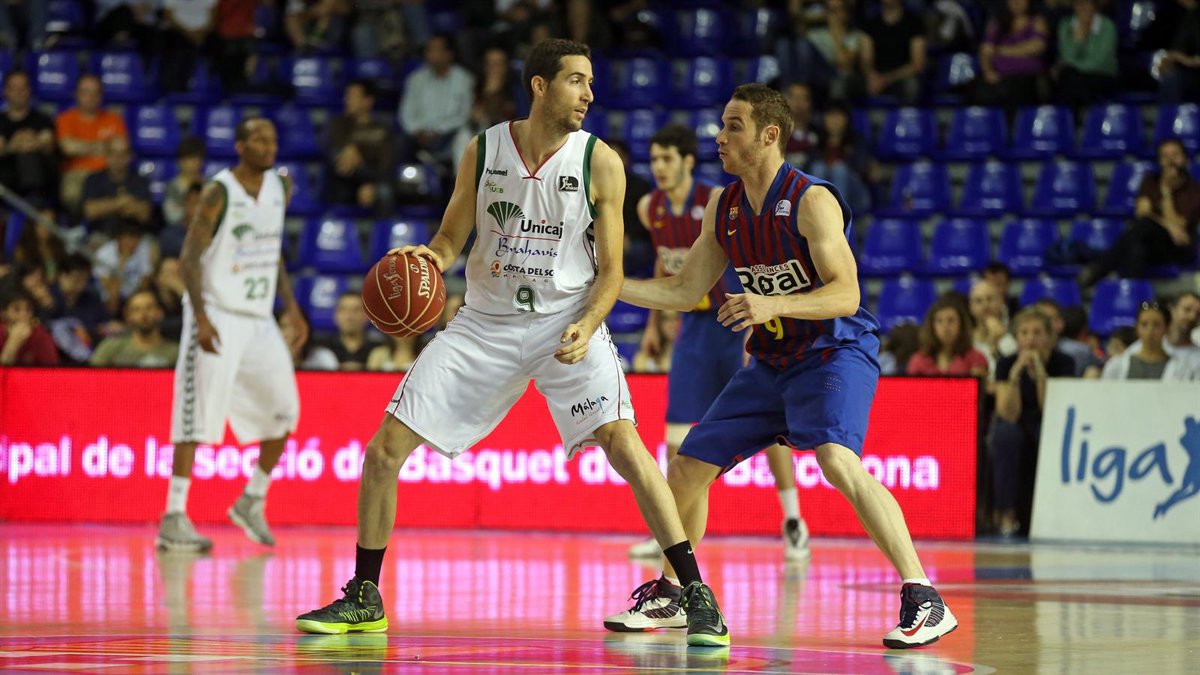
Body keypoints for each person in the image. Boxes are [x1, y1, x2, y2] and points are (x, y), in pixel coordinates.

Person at [296, 39, 729, 646]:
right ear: (539, 85)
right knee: (383, 450)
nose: (589, 93)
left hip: (565, 320)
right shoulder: (483, 150)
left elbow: (610, 271)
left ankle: (693, 592)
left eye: (591, 81)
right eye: (576, 80)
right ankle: (365, 595)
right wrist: (430, 258)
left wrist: (588, 323)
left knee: (625, 446)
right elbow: (451, 237)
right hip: (484, 324)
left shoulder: (600, 161)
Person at [614, 84, 955, 649]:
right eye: (721, 125)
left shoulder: (811, 200)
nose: (720, 137)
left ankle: (925, 595)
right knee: (686, 468)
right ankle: (675, 592)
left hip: (833, 352)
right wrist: (609, 286)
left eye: (734, 126)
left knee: (837, 461)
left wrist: (772, 303)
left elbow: (847, 294)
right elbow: (684, 290)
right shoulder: (724, 207)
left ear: (769, 135)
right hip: (773, 362)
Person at [623, 122, 811, 565]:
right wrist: (654, 323)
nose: (658, 167)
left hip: (734, 323)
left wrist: (753, 329)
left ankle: (793, 520)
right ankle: (669, 533)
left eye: (667, 158)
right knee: (675, 435)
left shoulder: (717, 202)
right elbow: (666, 264)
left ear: (688, 162)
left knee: (765, 429)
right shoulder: (651, 208)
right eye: (654, 159)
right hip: (692, 327)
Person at [158, 117, 308, 552]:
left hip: (259, 317)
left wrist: (292, 307)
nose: (268, 145)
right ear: (240, 146)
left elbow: (271, 250)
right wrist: (201, 318)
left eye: (273, 138)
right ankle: (174, 516)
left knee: (284, 411)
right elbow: (188, 259)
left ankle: (252, 499)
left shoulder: (281, 187)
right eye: (259, 139)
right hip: (217, 312)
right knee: (196, 415)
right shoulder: (218, 192)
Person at [988, 308, 1076, 537]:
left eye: (1037, 332)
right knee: (1006, 434)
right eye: (1024, 333)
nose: (1030, 339)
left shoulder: (1063, 363)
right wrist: (1015, 376)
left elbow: (1052, 409)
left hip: (1050, 423)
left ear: (1049, 336)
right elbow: (1008, 413)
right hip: (1017, 422)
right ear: (1016, 337)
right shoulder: (1006, 363)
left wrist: (1039, 374)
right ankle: (1006, 513)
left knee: (1047, 436)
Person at [1082, 138, 1200, 284]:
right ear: (1159, 161)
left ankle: (1101, 268)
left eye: (1175, 155)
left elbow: (1179, 229)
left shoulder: (1194, 191)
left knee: (1143, 228)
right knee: (1137, 248)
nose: (1170, 161)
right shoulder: (1150, 182)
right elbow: (1142, 213)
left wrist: (1166, 192)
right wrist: (1168, 225)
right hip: (1150, 244)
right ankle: (1132, 291)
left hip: (1179, 249)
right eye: (1165, 156)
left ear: (1185, 159)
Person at [1102, 302, 1194, 380]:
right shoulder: (1116, 365)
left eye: (1156, 325)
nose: (1150, 330)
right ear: (1137, 328)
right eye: (1144, 324)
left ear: (1166, 328)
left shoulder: (1181, 368)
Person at [89, 290, 180, 368]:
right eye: (136, 309)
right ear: (128, 316)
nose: (143, 314)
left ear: (160, 313)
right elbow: (91, 377)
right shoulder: (110, 348)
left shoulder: (175, 352)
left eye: (149, 308)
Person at [906, 295, 989, 376]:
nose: (945, 327)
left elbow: (979, 385)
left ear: (961, 325)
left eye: (951, 320)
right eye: (939, 321)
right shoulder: (918, 360)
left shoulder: (975, 358)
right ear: (932, 326)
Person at [0, 286, 60, 366]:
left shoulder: (41, 335)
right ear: (3, 313)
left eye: (28, 309)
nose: (23, 315)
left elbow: (52, 370)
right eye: (17, 309)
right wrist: (13, 343)